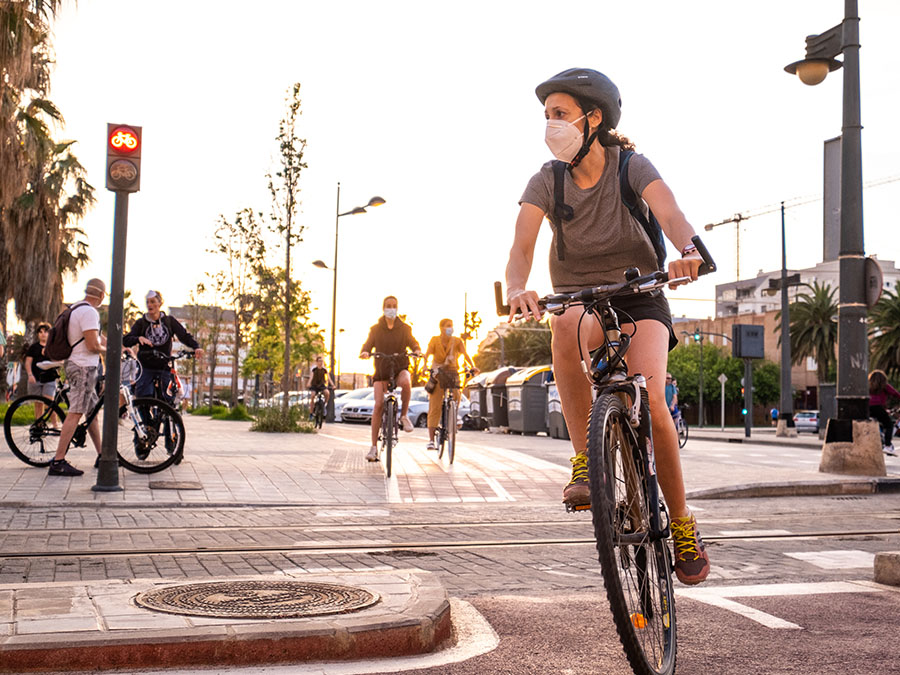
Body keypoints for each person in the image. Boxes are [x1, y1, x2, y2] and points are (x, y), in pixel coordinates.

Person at [504, 68, 710, 585]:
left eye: (560, 113)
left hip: (640, 297)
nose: (551, 124)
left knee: (654, 401)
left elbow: (671, 212)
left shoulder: (630, 167)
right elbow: (521, 246)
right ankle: (583, 464)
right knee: (565, 328)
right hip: (579, 299)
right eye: (546, 115)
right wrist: (515, 287)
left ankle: (682, 524)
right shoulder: (545, 181)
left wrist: (687, 251)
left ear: (593, 118)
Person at [50, 279, 107, 476]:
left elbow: (93, 337)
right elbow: (92, 345)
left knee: (91, 413)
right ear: (101, 295)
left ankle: (102, 455)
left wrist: (119, 344)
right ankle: (58, 461)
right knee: (75, 412)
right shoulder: (90, 312)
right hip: (83, 367)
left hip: (78, 364)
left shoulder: (77, 308)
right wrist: (110, 351)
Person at [359, 296, 421, 462]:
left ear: (397, 308)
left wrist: (416, 350)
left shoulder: (405, 328)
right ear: (383, 308)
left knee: (406, 381)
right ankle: (373, 447)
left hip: (400, 366)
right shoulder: (376, 329)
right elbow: (368, 344)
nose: (391, 308)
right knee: (378, 404)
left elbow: (413, 342)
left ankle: (404, 416)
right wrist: (365, 352)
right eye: (388, 306)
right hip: (381, 369)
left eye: (394, 306)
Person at [123, 291, 203, 402]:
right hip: (146, 367)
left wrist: (196, 347)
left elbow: (184, 336)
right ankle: (145, 419)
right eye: (147, 302)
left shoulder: (169, 321)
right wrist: (138, 339)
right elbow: (126, 340)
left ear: (160, 303)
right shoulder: (141, 323)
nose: (149, 305)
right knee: (143, 397)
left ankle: (166, 417)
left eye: (152, 302)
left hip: (164, 366)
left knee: (166, 399)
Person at [423, 319, 476, 450]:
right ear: (441, 328)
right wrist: (424, 366)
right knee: (434, 406)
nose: (450, 328)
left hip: (452, 372)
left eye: (451, 326)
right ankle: (431, 440)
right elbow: (427, 354)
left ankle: (454, 413)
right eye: (447, 326)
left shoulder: (457, 341)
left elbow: (465, 354)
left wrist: (473, 366)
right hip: (438, 373)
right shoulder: (434, 340)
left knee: (457, 394)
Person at [25, 323, 60, 425]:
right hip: (35, 379)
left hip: (50, 379)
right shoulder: (33, 347)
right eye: (40, 332)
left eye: (45, 332)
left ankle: (55, 425)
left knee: (49, 403)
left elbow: (58, 360)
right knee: (38, 404)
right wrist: (30, 375)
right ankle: (39, 426)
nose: (43, 334)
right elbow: (28, 362)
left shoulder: (53, 347)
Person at [868, 370, 900, 455]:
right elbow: (896, 394)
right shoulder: (885, 386)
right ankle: (888, 446)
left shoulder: (868, 386)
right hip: (878, 407)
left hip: (867, 407)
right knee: (888, 425)